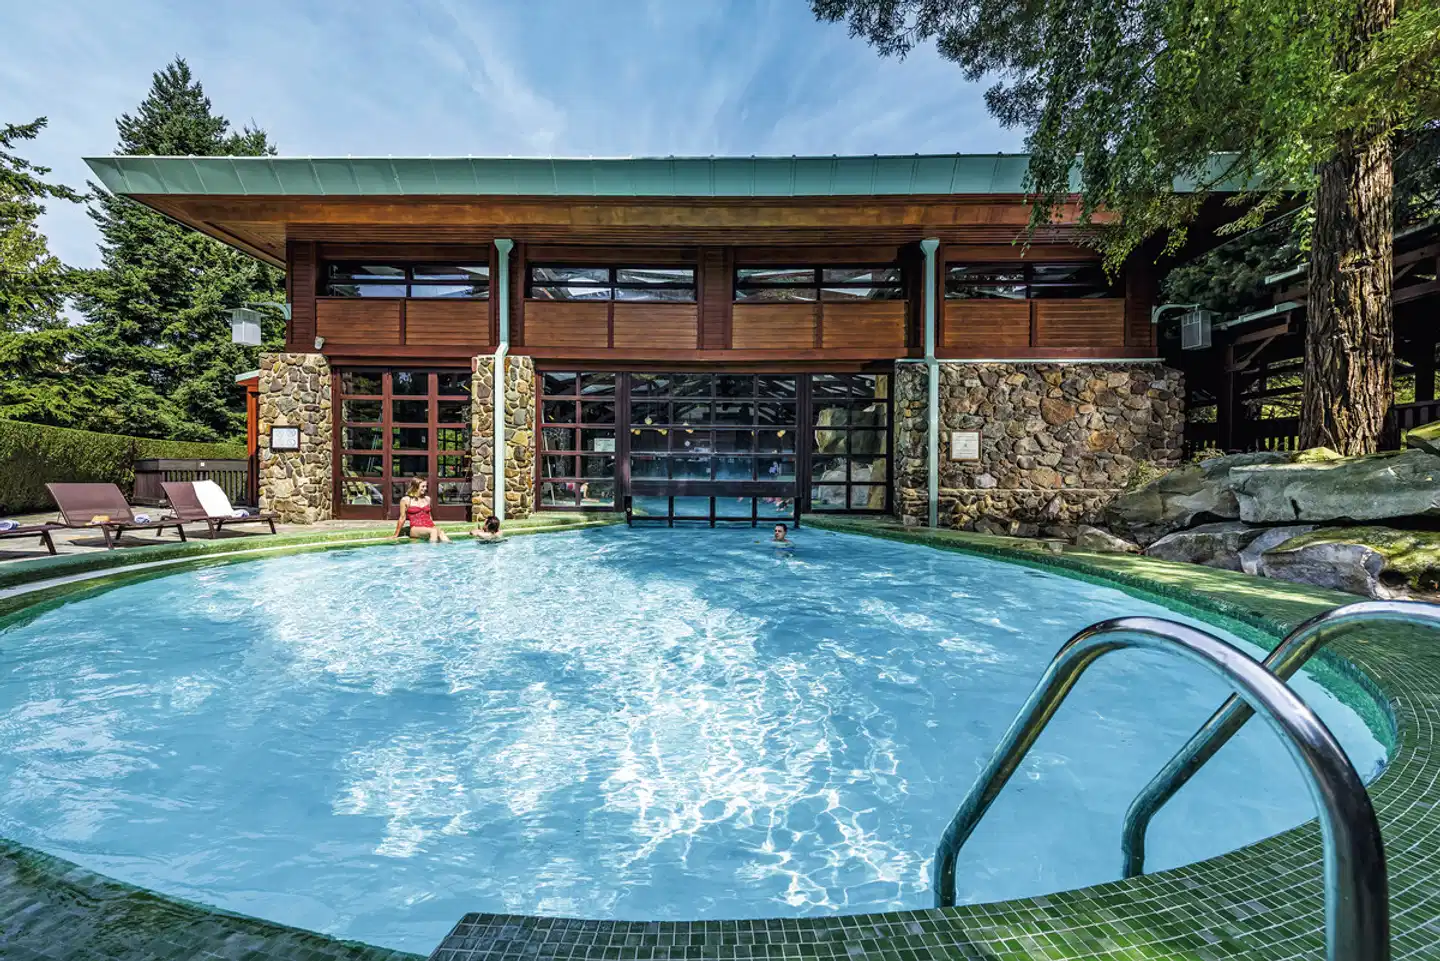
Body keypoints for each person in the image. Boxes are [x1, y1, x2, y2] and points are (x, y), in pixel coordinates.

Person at [394, 479, 451, 543]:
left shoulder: (427, 499)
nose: (425, 488)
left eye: (426, 486)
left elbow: (429, 516)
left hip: (429, 526)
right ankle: (433, 551)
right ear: (416, 487)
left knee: (441, 532)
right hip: (415, 528)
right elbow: (402, 518)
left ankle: (451, 549)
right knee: (433, 531)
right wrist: (396, 534)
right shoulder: (406, 500)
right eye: (423, 486)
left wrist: (435, 527)